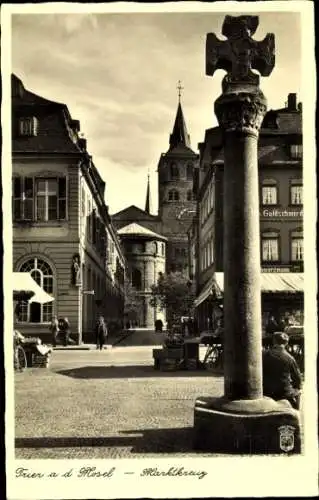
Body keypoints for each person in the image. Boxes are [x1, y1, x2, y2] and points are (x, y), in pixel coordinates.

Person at [262, 332, 302, 410]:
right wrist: (296, 387)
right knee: (300, 390)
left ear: (274, 341)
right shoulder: (290, 358)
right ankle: (297, 413)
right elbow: (298, 379)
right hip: (284, 393)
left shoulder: (264, 354)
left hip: (267, 391)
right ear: (286, 343)